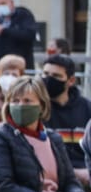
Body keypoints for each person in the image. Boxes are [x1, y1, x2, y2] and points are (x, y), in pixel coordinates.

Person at [39, 54, 91, 183]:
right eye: (45, 74)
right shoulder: (37, 110)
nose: (48, 79)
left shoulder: (87, 108)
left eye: (56, 76)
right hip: (54, 178)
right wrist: (76, 173)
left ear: (71, 80)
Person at [0, 0, 37, 66]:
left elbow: (29, 34)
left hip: (21, 65)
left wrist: (5, 31)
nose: (1, 7)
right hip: (2, 66)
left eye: (3, 3)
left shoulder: (23, 15)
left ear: (11, 2)